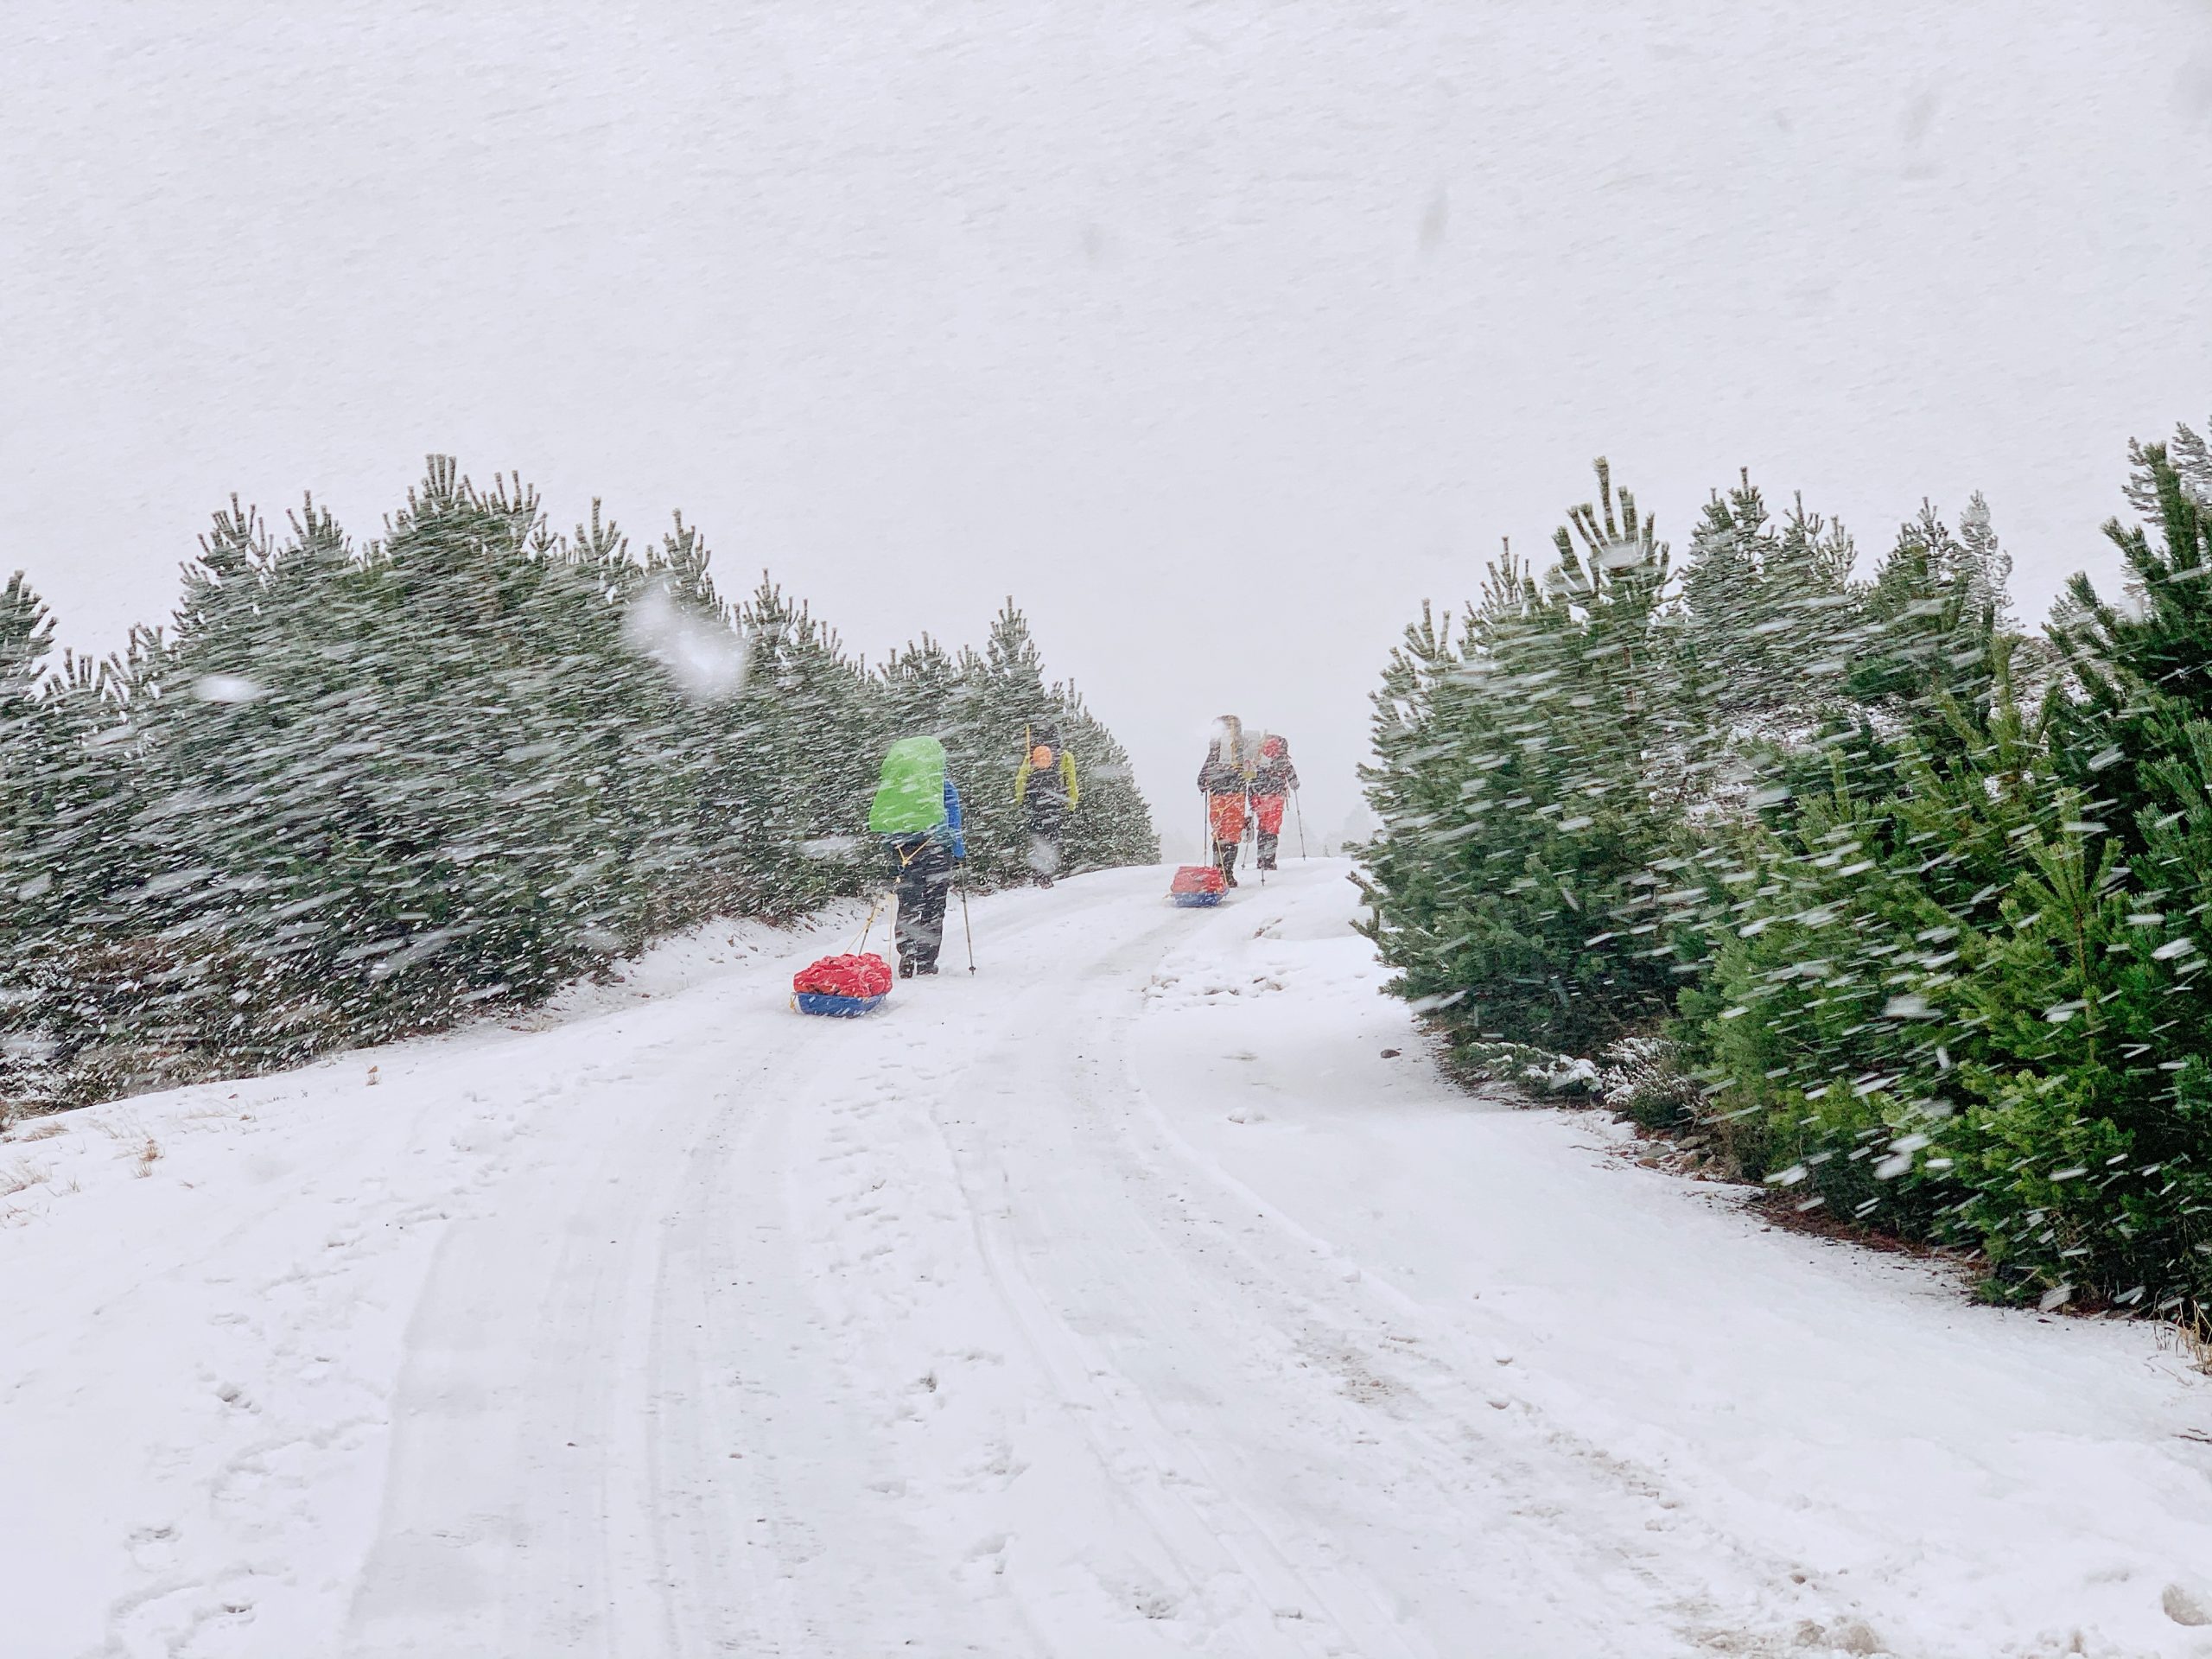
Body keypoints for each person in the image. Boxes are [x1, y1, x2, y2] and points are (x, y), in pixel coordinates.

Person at [868, 734, 964, 977]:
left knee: (909, 902)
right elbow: (954, 819)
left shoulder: (896, 787)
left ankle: (907, 953)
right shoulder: (942, 785)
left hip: (903, 849)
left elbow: (886, 822)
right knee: (934, 905)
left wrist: (892, 848)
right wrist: (958, 851)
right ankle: (926, 961)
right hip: (936, 849)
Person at [1013, 720, 1080, 887]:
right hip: (1054, 802)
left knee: (1037, 837)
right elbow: (1071, 781)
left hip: (1034, 802)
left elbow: (1021, 779)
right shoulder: (1065, 756)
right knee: (1052, 838)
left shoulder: (1032, 756)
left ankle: (1038, 873)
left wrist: (1020, 801)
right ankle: (1046, 873)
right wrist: (1071, 803)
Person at [1196, 715, 1252, 887]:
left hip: (1217, 794)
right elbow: (1251, 770)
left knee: (1220, 832)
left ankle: (1219, 870)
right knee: (1232, 833)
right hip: (1236, 793)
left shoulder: (1217, 746)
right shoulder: (1244, 745)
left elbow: (1208, 765)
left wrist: (1202, 781)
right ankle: (1227, 872)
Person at [1250, 733, 1299, 871]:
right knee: (1272, 828)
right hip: (1276, 796)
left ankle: (1261, 858)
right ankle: (1269, 861)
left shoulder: (1258, 757)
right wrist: (1294, 784)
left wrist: (1252, 795)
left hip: (1260, 796)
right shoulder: (1281, 758)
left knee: (1263, 826)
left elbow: (1251, 776)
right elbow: (1293, 780)